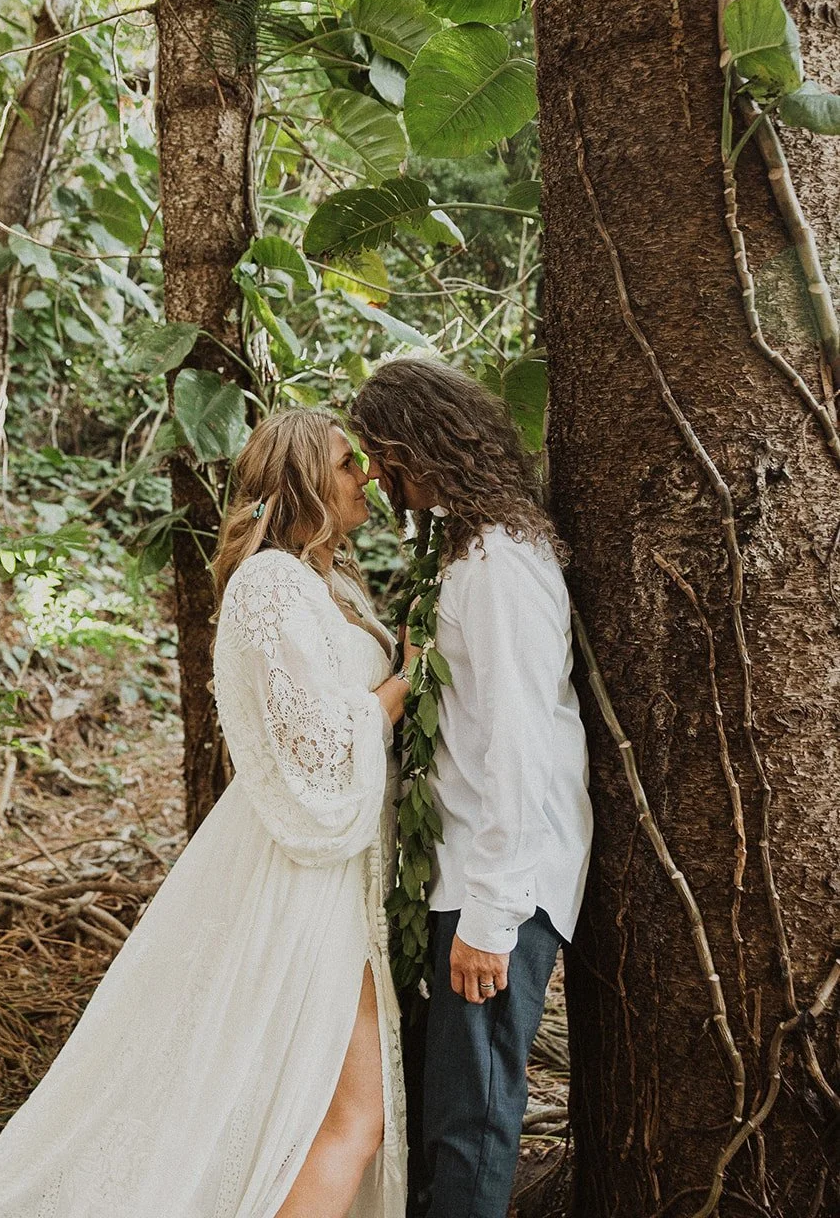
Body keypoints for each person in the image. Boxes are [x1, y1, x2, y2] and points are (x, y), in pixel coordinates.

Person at [0, 409, 411, 1218]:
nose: (369, 475)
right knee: (350, 1114)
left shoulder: (332, 582)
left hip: (338, 864)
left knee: (319, 1108)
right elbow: (315, 748)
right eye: (348, 463)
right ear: (304, 480)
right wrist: (407, 683)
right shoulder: (271, 582)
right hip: (296, 870)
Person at [349, 358, 592, 1218]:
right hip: (455, 872)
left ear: (420, 446)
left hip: (498, 885)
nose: (374, 476)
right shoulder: (466, 551)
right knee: (437, 1114)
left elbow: (521, 744)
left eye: (380, 455)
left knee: (471, 1123)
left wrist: (492, 918)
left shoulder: (498, 564)